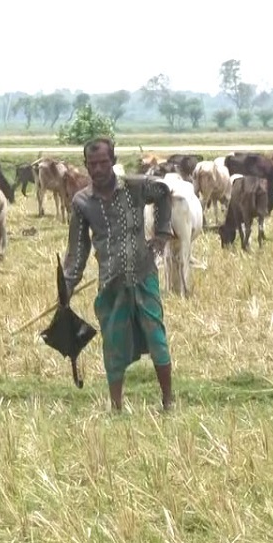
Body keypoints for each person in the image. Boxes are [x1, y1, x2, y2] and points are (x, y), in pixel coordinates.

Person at [62, 137, 174, 412]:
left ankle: (168, 401)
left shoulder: (135, 187)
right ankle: (116, 406)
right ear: (86, 165)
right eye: (92, 164)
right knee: (113, 343)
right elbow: (78, 249)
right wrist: (67, 284)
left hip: (143, 273)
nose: (98, 169)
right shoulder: (82, 202)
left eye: (103, 162)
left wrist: (160, 236)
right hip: (110, 281)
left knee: (156, 337)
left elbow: (163, 193)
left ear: (112, 161)